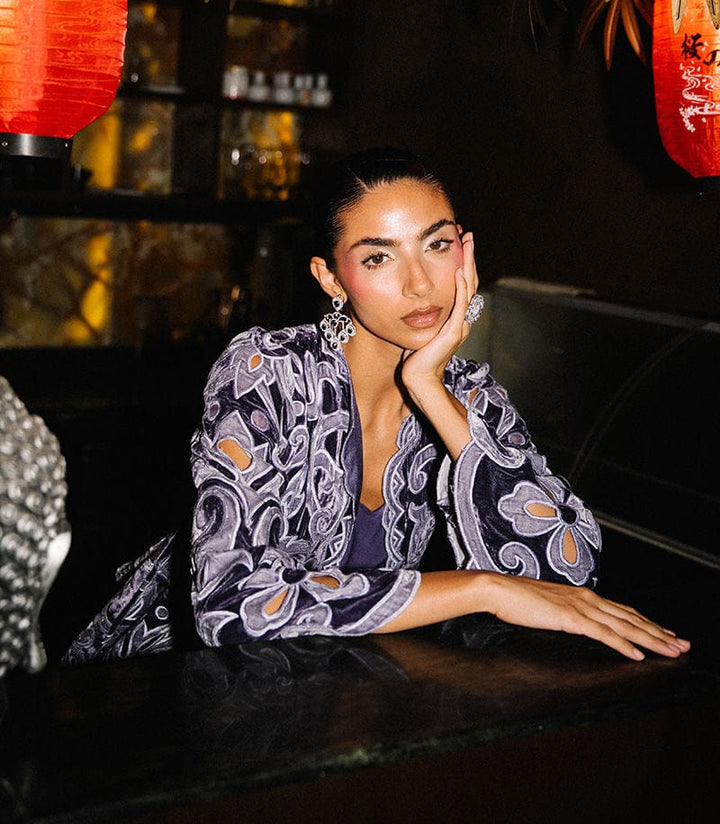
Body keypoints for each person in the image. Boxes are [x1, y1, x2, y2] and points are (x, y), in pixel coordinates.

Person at [65, 148, 690, 664]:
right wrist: (482, 589)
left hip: (322, 697)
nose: (419, 284)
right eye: (378, 257)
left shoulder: (468, 393)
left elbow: (565, 575)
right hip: (156, 689)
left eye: (437, 246)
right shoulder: (266, 371)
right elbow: (233, 605)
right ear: (330, 278)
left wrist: (430, 390)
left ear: (467, 253)